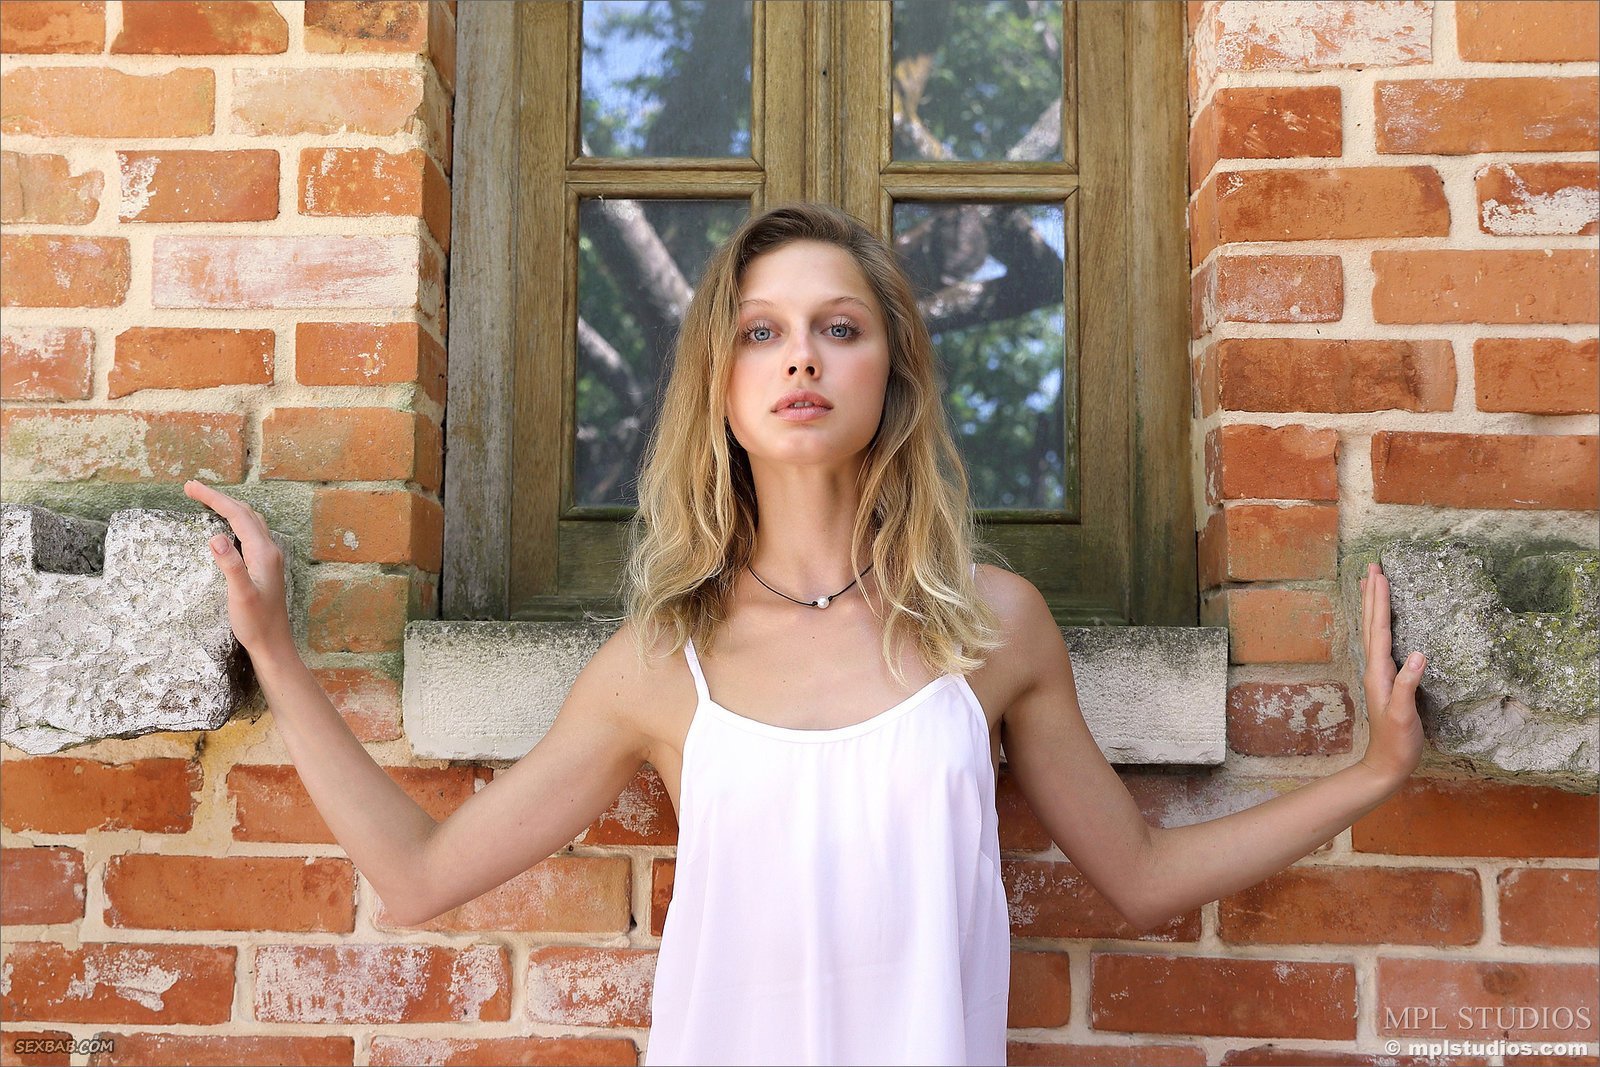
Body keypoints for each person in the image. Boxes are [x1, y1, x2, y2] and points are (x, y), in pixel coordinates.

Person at [184, 201, 1427, 1066]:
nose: (801, 360)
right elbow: (416, 875)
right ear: (721, 383)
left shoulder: (992, 626)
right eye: (761, 330)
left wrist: (1370, 772)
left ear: (891, 369)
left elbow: (1142, 875)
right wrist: (278, 654)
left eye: (839, 327)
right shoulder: (659, 662)